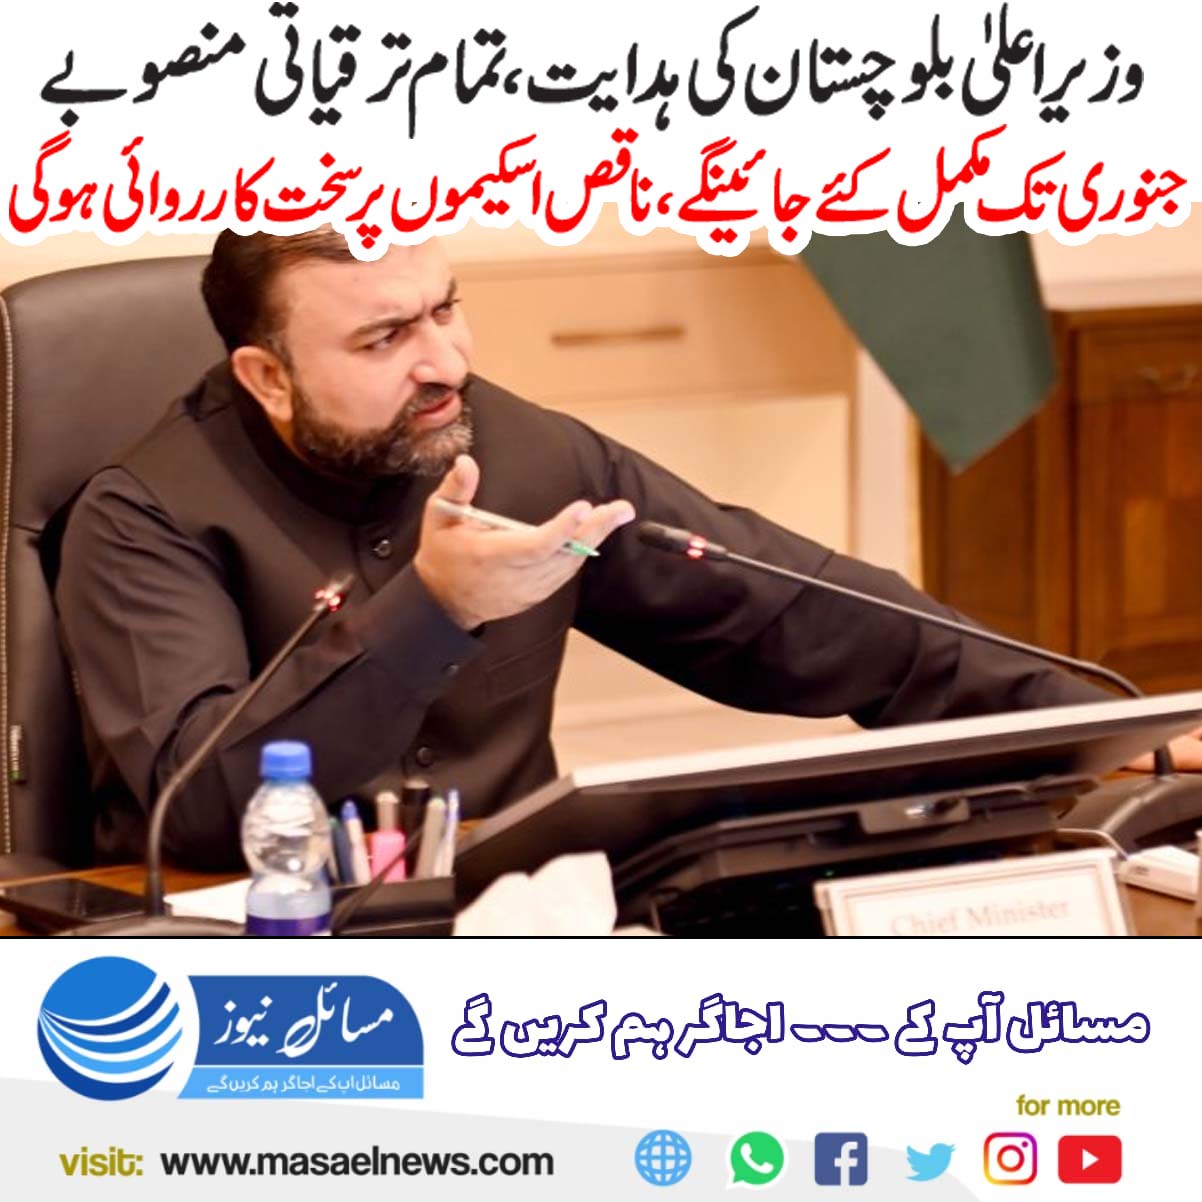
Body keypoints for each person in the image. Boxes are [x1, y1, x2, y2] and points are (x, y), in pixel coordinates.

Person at [54, 229, 1202, 869]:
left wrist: (1104, 722)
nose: (444, 361)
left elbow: (785, 606)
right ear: (266, 376)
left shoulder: (519, 446)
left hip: (517, 932)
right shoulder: (142, 515)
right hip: (254, 957)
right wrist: (429, 610)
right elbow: (198, 807)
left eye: (445, 308)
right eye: (385, 336)